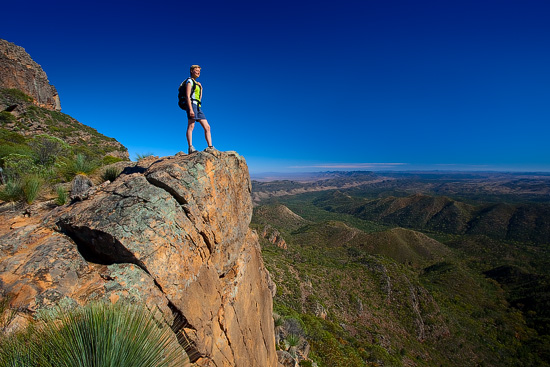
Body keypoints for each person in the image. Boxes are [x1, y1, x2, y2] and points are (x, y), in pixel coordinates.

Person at [183, 65, 214, 154]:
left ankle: (210, 147)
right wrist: (190, 109)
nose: (198, 72)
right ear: (192, 71)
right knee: (191, 126)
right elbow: (187, 96)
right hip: (192, 105)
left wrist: (201, 88)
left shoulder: (197, 84)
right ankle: (190, 147)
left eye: (199, 71)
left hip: (198, 106)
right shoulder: (189, 81)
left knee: (207, 127)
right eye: (196, 70)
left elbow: (200, 98)